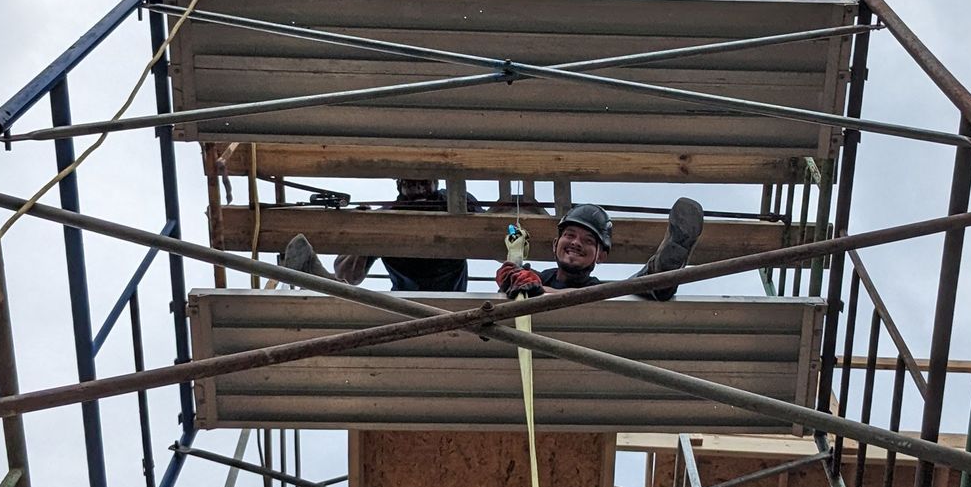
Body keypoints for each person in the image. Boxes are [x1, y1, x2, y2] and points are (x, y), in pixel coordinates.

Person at [279, 178, 482, 292]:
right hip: (404, 301)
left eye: (423, 181)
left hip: (450, 299)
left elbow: (497, 241)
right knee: (347, 292)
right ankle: (313, 277)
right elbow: (347, 276)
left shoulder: (455, 202)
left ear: (436, 181)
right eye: (411, 183)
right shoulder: (386, 217)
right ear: (399, 184)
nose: (418, 188)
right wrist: (364, 235)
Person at [496, 199, 703, 301]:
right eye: (569, 235)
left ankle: (662, 271)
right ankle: (661, 275)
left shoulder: (599, 292)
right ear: (554, 244)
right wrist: (509, 276)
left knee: (631, 289)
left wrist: (540, 292)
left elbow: (585, 298)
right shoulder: (534, 278)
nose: (576, 243)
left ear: (601, 255)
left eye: (588, 240)